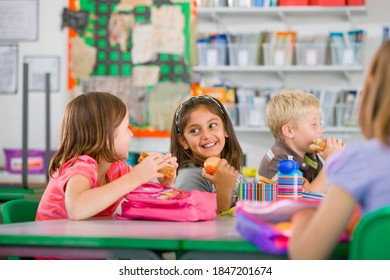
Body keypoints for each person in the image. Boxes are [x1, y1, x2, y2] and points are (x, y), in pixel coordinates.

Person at [288, 41, 390, 259]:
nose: (320, 130)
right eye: (314, 124)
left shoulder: (358, 159)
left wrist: (303, 217)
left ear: (372, 91)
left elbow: (306, 255)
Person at [36, 91, 178, 221]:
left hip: (84, 242)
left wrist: (166, 185)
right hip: (52, 245)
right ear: (105, 136)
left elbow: (154, 206)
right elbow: (76, 209)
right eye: (127, 127)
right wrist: (135, 177)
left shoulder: (118, 170)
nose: (132, 134)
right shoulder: (81, 165)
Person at [256, 89, 344, 193]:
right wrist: (331, 162)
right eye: (314, 124)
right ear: (289, 131)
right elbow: (304, 200)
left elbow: (325, 189)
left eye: (320, 122)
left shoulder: (310, 155)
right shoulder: (278, 160)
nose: (322, 129)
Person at [170, 95, 244, 213]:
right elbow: (204, 227)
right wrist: (223, 190)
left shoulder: (230, 167)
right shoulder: (191, 177)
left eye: (212, 125)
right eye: (195, 130)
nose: (206, 135)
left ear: (225, 129)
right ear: (184, 141)